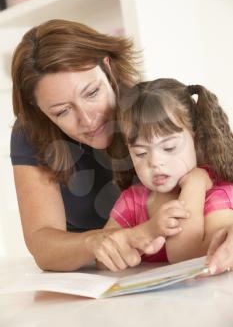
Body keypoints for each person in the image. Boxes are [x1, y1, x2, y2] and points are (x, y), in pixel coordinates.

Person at [10, 19, 171, 271]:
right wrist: (95, 242)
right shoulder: (30, 133)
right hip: (93, 276)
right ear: (38, 110)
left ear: (107, 67)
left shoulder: (151, 108)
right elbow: (43, 244)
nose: (87, 119)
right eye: (62, 111)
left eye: (92, 93)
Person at [95, 78, 233, 271]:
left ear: (197, 140)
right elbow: (103, 258)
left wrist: (194, 184)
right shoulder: (133, 202)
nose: (155, 162)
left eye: (169, 147)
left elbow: (186, 256)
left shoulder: (219, 195)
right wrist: (148, 230)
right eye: (141, 153)